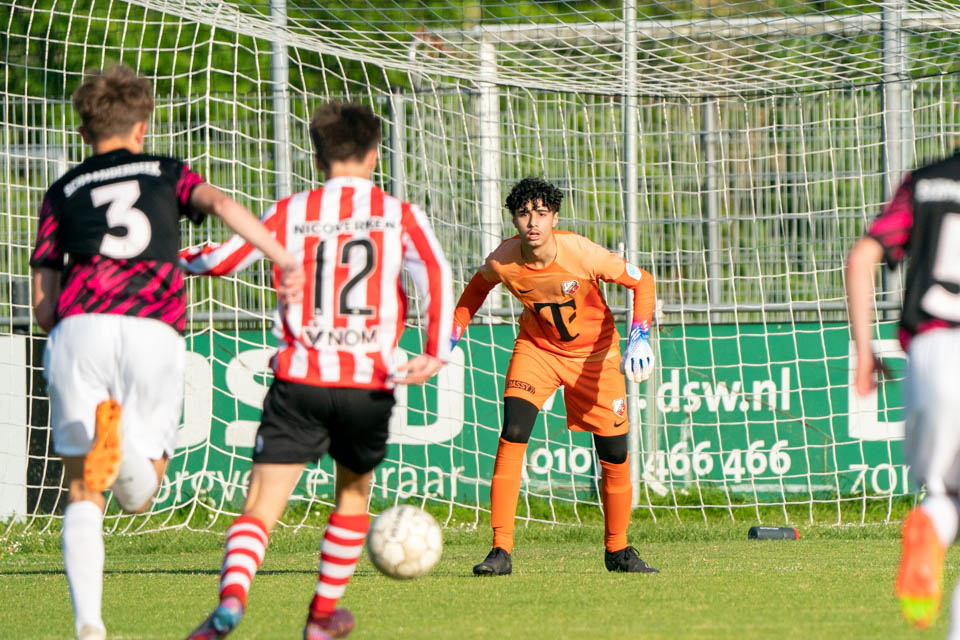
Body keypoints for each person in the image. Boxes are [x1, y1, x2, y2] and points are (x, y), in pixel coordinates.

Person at [29, 65, 303, 640]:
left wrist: (59, 331)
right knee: (141, 493)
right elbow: (223, 205)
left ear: (84, 133)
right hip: (153, 327)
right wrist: (283, 257)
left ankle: (88, 627)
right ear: (141, 128)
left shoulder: (62, 191)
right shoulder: (166, 170)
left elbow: (43, 298)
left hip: (82, 326)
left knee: (82, 489)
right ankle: (125, 452)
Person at [181, 102, 454, 640]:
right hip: (366, 383)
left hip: (300, 379)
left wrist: (172, 256)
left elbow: (223, 260)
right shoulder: (400, 214)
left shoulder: (292, 210)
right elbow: (438, 278)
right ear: (376, 154)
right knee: (352, 495)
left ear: (316, 154)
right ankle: (322, 617)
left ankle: (232, 601)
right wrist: (435, 350)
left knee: (260, 506)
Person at [451, 177, 658, 576]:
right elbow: (474, 291)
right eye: (524, 213)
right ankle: (500, 550)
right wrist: (451, 334)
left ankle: (617, 550)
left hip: (595, 357)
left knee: (614, 455)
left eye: (541, 213)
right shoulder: (504, 260)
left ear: (554, 217)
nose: (533, 221)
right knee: (512, 432)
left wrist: (640, 335)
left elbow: (642, 280)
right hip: (537, 350)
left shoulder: (581, 254)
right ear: (513, 219)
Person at [847, 153, 960, 634]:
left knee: (945, 494)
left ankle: (929, 527)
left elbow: (862, 257)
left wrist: (865, 352)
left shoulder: (926, 181)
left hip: (931, 350)